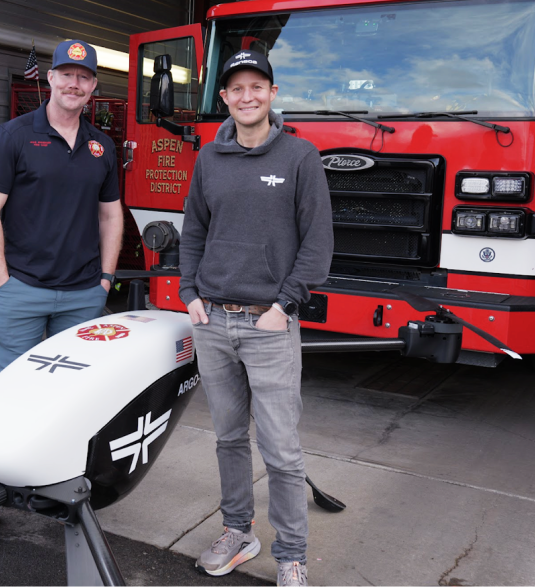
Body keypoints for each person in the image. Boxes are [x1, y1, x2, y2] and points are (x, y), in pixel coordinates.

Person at [178, 51, 333, 587]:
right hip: (213, 322)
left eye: (257, 86)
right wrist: (189, 293)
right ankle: (238, 532)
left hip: (269, 325)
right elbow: (193, 231)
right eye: (237, 88)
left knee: (282, 450)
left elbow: (317, 244)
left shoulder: (300, 156)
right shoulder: (209, 158)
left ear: (272, 93)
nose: (247, 96)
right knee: (228, 439)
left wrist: (284, 306)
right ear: (224, 97)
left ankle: (291, 555)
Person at [0, 39, 124, 544]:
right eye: (66, 74)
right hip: (24, 290)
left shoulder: (101, 147)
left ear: (93, 86)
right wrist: (3, 283)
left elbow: (111, 216)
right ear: (50, 78)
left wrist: (104, 279)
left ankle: (61, 490)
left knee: (73, 399)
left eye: (84, 76)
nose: (74, 83)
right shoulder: (14, 136)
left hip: (83, 294)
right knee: (8, 396)